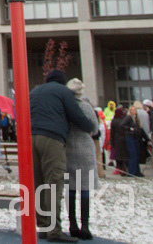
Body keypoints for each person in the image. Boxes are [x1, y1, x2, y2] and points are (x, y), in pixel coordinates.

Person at [28, 69, 96, 242]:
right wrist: (90, 127)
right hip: (52, 138)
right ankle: (55, 231)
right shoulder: (63, 92)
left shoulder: (34, 91)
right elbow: (76, 114)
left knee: (39, 183)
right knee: (54, 182)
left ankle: (43, 226)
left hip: (31, 137)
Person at [64, 78, 99, 241]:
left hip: (67, 147)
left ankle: (72, 224)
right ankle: (85, 226)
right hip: (84, 147)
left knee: (70, 188)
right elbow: (94, 128)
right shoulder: (86, 107)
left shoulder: (64, 107)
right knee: (84, 188)